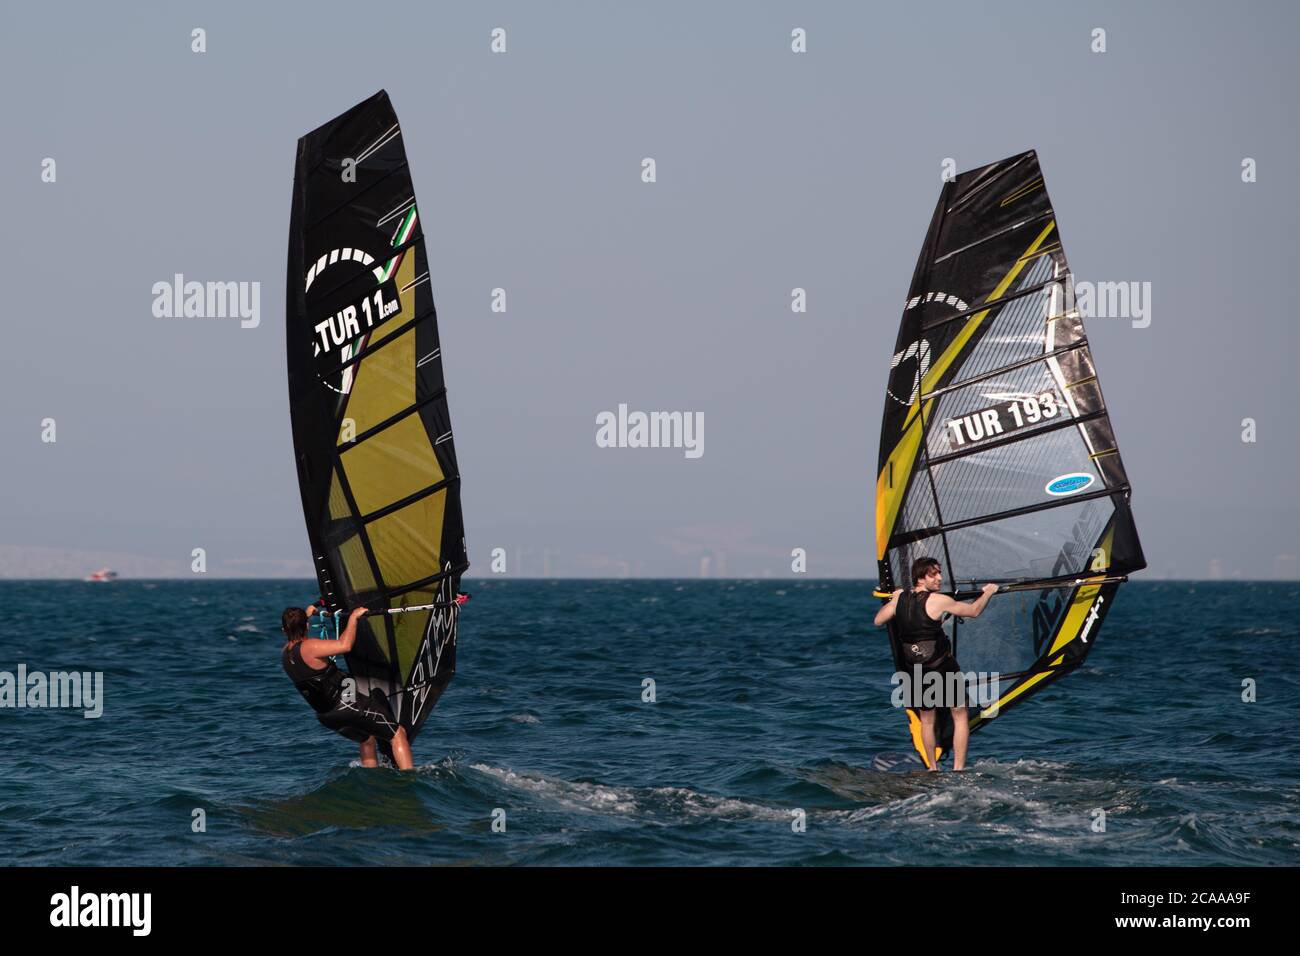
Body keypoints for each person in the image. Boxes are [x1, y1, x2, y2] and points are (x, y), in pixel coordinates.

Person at [874, 557, 997, 771]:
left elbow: (878, 621)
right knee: (959, 714)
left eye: (940, 573)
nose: (940, 578)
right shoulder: (939, 601)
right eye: (933, 574)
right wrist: (988, 592)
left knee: (927, 720)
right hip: (942, 667)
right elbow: (974, 611)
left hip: (916, 670)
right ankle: (958, 769)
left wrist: (895, 599)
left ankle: (932, 768)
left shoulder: (900, 598)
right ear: (921, 578)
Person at [280, 603, 414, 771]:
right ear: (306, 626)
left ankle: (373, 780)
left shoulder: (285, 654)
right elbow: (345, 645)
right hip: (347, 706)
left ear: (284, 630)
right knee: (397, 733)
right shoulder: (311, 647)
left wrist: (306, 616)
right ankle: (410, 780)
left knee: (366, 739)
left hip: (326, 717)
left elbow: (296, 632)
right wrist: (353, 618)